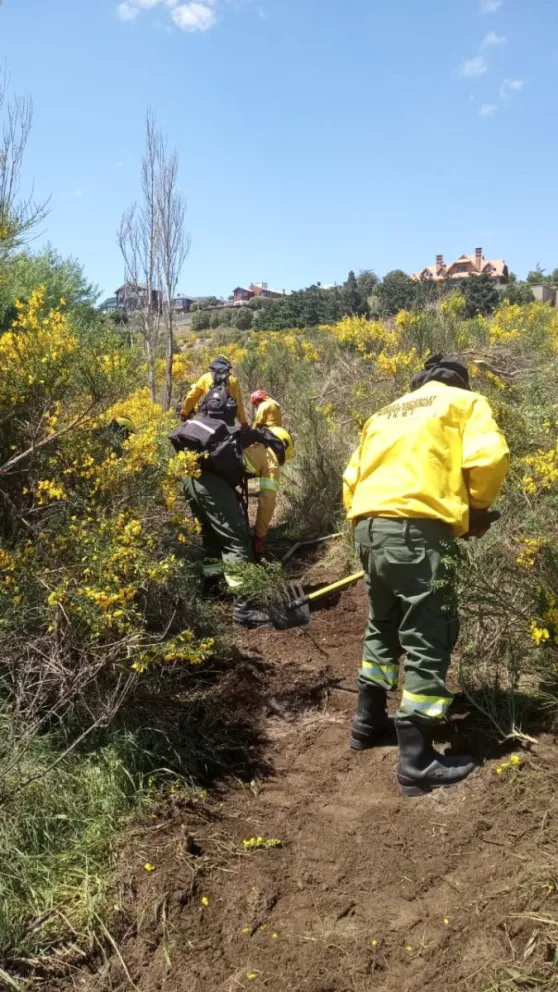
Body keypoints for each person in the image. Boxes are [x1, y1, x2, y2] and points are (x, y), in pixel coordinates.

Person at [343, 354, 510, 797]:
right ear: (458, 380)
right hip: (417, 530)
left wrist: (374, 526)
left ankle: (368, 723)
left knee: (383, 622)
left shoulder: (385, 411)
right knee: (428, 630)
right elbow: (490, 458)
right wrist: (474, 509)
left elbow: (351, 478)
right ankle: (416, 760)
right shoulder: (464, 402)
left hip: (368, 526)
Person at [181, 400, 294, 626]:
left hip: (188, 476)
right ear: (282, 447)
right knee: (237, 541)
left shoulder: (247, 438)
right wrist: (259, 535)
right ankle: (245, 608)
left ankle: (212, 590)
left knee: (211, 536)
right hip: (210, 483)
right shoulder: (270, 457)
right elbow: (267, 500)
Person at [180, 356, 248, 427]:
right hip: (227, 419)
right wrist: (243, 422)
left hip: (209, 416)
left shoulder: (205, 378)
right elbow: (238, 402)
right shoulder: (233, 380)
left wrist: (184, 412)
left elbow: (192, 396)